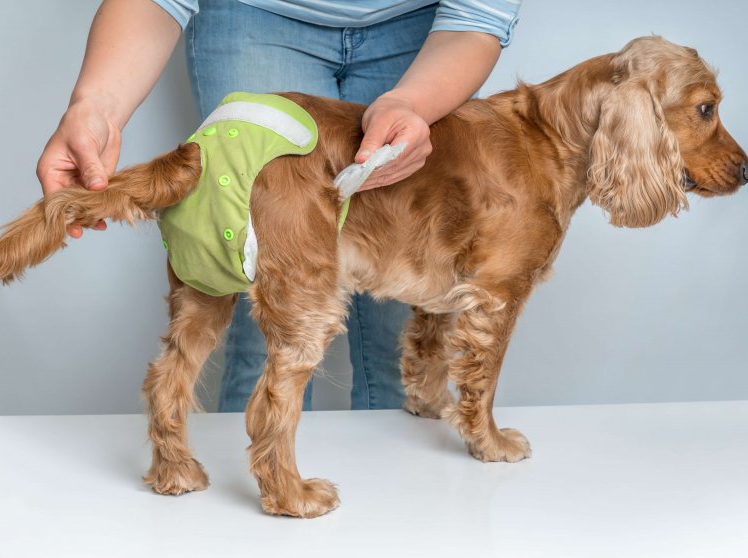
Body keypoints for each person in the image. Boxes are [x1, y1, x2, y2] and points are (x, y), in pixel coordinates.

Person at [36, 0, 522, 413]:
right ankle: (248, 506)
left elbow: (478, 12)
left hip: (429, 31)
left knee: (404, 320)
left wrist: (413, 102)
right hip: (255, 17)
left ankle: (392, 513)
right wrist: (95, 106)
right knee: (260, 298)